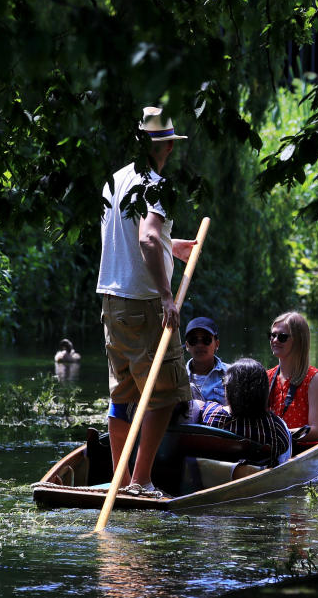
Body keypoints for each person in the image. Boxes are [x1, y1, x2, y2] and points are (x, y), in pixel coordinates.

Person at [96, 106, 197, 497]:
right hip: (143, 303)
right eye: (169, 144)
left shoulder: (115, 180)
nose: (170, 151)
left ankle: (121, 482)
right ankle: (141, 482)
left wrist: (173, 247)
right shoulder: (156, 184)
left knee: (123, 393)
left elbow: (131, 238)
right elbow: (146, 239)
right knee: (163, 393)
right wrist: (167, 295)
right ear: (165, 146)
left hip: (112, 299)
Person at [200, 358, 291, 466]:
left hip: (216, 476)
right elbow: (284, 448)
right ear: (264, 391)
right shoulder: (276, 429)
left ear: (231, 390)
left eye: (225, 382)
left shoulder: (211, 414)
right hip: (258, 477)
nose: (223, 386)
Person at [266, 311, 318, 441]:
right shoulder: (267, 376)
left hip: (305, 450)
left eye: (282, 337)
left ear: (298, 341)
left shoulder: (315, 379)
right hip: (275, 447)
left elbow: (316, 431)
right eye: (272, 335)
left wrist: (280, 435)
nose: (275, 340)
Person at [184, 316, 228, 404]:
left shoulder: (232, 374)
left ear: (217, 344)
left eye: (206, 340)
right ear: (187, 346)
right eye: (193, 340)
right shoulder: (179, 378)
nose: (199, 345)